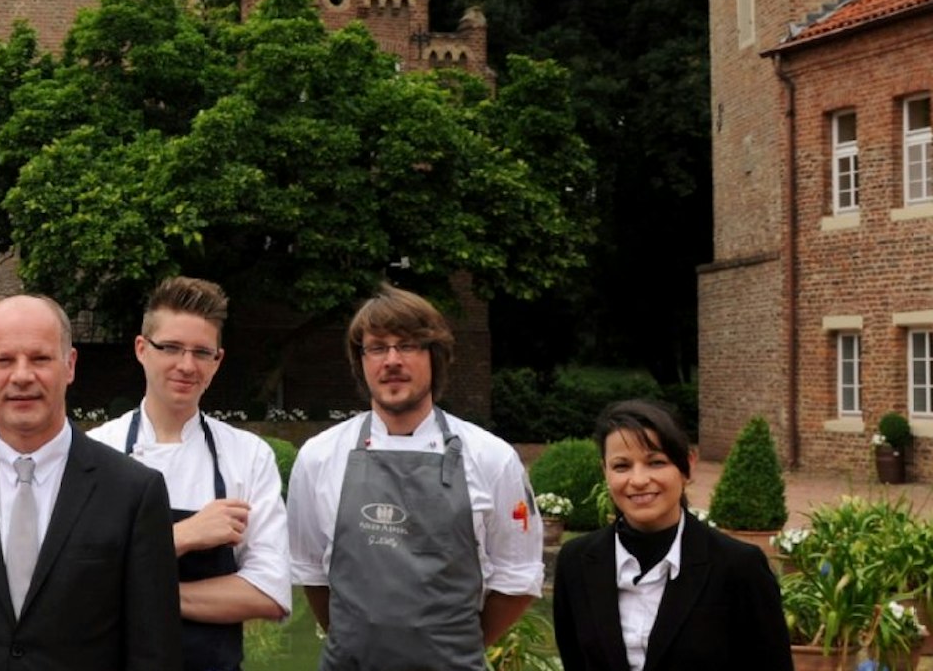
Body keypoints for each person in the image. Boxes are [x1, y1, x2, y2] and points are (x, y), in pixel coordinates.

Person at [0, 295, 181, 671]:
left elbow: (154, 651)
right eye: (3, 360)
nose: (22, 376)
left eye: (40, 358)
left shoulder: (134, 493)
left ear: (69, 365)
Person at [286, 283, 542, 671]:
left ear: (434, 356)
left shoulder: (492, 458)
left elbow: (518, 579)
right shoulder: (318, 457)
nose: (392, 360)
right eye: (377, 347)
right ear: (361, 361)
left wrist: (457, 647)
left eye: (407, 345)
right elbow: (311, 572)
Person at [90, 278, 289, 671]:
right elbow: (75, 582)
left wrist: (142, 590)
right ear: (141, 349)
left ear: (217, 360)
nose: (186, 365)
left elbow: (269, 592)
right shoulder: (97, 451)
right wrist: (183, 536)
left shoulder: (248, 456)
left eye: (201, 352)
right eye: (170, 347)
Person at [552, 400, 792, 671]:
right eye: (621, 466)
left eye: (656, 462)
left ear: (687, 466)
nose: (639, 480)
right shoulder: (576, 562)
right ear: (604, 472)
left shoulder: (738, 567)